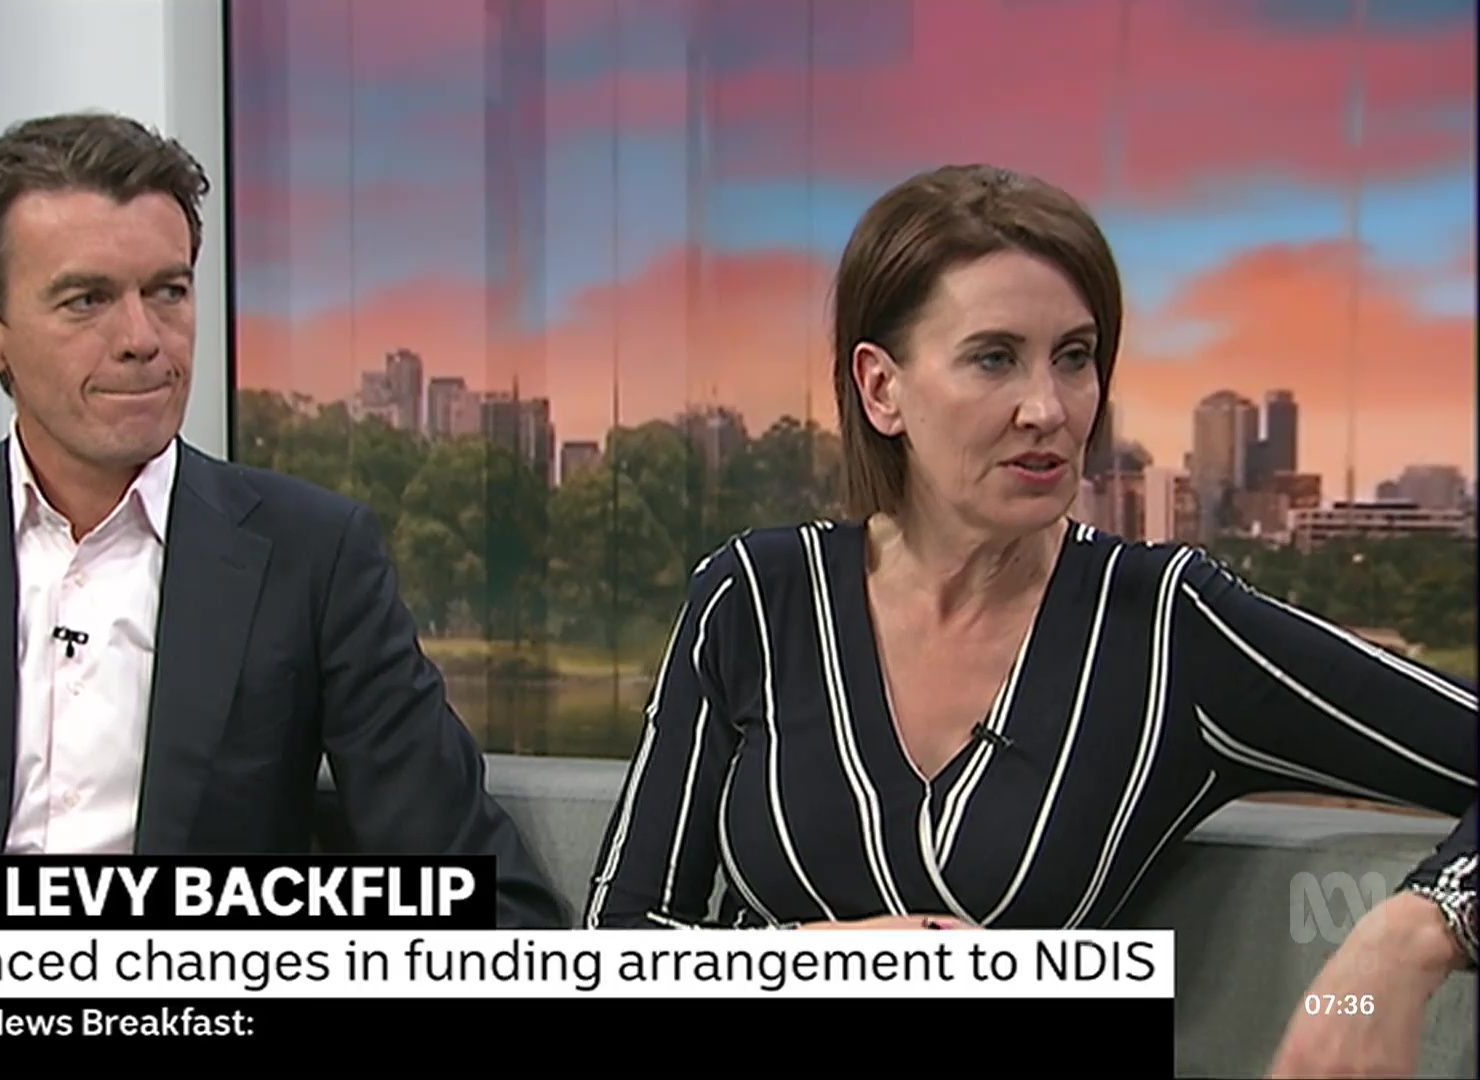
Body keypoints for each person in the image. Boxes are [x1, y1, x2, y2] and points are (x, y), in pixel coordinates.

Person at [583, 164, 1477, 1074]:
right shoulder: (754, 598)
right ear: (882, 389)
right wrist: (836, 961)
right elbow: (618, 943)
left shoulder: (1166, 626)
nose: (1048, 409)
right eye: (994, 358)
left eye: (1075, 357)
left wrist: (1408, 937)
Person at [0, 111, 566, 931]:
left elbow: (482, 891)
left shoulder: (313, 554)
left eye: (168, 292)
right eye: (86, 300)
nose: (143, 337)